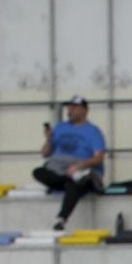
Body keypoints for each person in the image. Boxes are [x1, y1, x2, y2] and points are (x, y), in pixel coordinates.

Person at [33, 96, 104, 232]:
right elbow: (45, 153)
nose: (70, 110)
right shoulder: (60, 128)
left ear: (84, 110)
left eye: (74, 107)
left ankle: (62, 218)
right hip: (62, 171)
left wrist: (79, 166)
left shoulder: (93, 131)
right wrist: (48, 139)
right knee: (38, 172)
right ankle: (67, 180)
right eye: (69, 107)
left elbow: (99, 158)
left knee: (76, 184)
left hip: (82, 168)